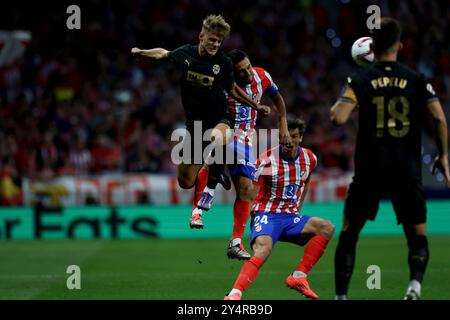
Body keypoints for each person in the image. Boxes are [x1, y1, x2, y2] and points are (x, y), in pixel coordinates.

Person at [330, 17, 450, 300]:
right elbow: (439, 118)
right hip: (406, 170)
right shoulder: (417, 79)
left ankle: (341, 297)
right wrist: (444, 156)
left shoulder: (360, 79)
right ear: (400, 45)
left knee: (349, 232)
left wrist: (352, 96)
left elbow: (338, 118)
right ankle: (414, 286)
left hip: (370, 169)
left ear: (373, 46)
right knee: (417, 235)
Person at [131, 15, 271, 228]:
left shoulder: (223, 62)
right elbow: (163, 53)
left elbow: (232, 89)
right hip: (195, 126)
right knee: (185, 181)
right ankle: (215, 170)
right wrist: (142, 52)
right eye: (212, 39)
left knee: (217, 138)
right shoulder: (185, 54)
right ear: (201, 37)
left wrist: (255, 105)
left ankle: (210, 188)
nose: (215, 44)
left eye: (219, 41)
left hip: (220, 119)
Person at [191, 49, 291, 260]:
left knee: (247, 191)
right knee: (213, 158)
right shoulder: (222, 83)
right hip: (225, 129)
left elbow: (278, 98)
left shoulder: (262, 75)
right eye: (241, 71)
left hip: (247, 139)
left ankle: (236, 242)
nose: (247, 73)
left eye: (248, 67)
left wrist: (283, 125)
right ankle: (199, 208)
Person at [224, 119, 335, 300]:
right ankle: (235, 294)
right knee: (263, 250)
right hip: (266, 215)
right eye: (285, 136)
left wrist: (297, 208)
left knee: (327, 227)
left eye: (294, 136)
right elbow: (251, 195)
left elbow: (305, 182)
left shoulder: (310, 159)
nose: (288, 141)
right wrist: (242, 232)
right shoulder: (266, 161)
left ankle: (298, 276)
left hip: (290, 218)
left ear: (301, 138)